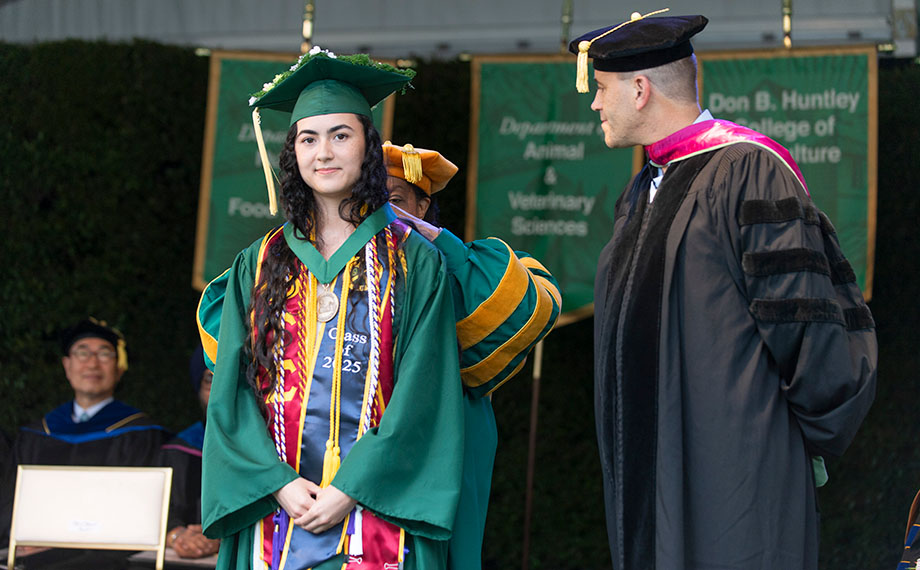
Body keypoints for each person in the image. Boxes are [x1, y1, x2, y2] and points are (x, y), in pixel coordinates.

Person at [569, 11, 877, 570]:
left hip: (738, 474)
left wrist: (784, 444)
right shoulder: (645, 189)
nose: (595, 104)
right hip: (653, 475)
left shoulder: (749, 171)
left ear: (640, 90)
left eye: (601, 89)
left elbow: (808, 329)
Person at [199, 48, 465, 570]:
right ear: (292, 153)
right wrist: (275, 483)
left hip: (377, 516)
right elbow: (231, 391)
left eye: (341, 135)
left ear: (368, 146)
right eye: (308, 138)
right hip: (275, 517)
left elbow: (424, 393)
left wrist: (352, 486)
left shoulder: (414, 262)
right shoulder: (257, 263)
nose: (324, 152)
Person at [382, 141, 561, 570]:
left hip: (446, 431)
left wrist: (443, 245)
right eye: (366, 201)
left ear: (422, 205)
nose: (380, 213)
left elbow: (531, 305)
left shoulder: (451, 264)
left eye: (394, 201)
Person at [0, 317, 170, 543]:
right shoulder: (36, 434)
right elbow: (11, 503)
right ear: (67, 365)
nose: (92, 364)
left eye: (104, 354)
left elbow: (142, 510)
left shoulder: (141, 433)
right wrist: (22, 539)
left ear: (119, 369)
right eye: (82, 353)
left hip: (110, 556)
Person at [157, 344, 219, 559]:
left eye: (229, 378)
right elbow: (161, 510)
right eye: (210, 379)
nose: (221, 388)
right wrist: (178, 535)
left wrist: (224, 538)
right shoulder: (180, 449)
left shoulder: (269, 450)